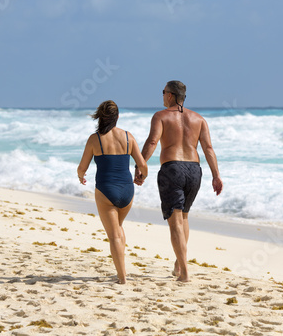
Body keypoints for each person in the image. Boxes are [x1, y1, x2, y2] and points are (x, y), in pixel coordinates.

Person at [135, 80, 223, 282]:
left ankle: (184, 273)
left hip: (172, 169)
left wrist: (140, 165)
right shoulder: (199, 119)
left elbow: (152, 142)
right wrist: (216, 175)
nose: (162, 95)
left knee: (175, 221)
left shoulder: (161, 116)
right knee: (183, 217)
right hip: (194, 170)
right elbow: (208, 149)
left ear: (171, 95)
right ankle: (179, 262)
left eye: (164, 92)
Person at [78, 100, 148, 284]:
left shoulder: (95, 139)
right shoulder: (127, 137)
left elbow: (82, 167)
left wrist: (81, 176)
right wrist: (141, 177)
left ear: (100, 117)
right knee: (118, 228)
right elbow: (143, 165)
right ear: (117, 117)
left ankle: (122, 277)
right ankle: (122, 269)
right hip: (127, 191)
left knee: (114, 235)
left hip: (105, 190)